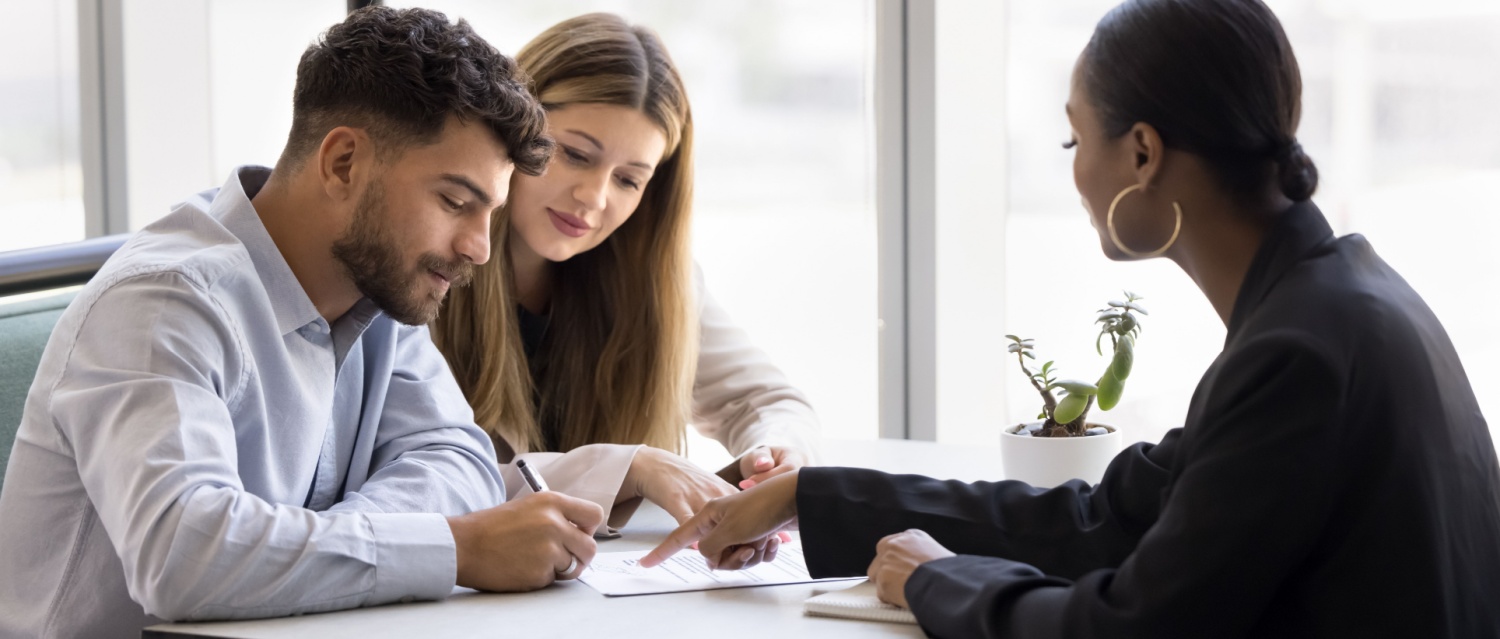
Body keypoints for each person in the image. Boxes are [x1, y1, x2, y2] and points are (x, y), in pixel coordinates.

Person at [643, 0, 1500, 636]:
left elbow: (1132, 625)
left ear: (1142, 153)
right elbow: (1108, 519)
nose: (1076, 172)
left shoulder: (1303, 352)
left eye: (1073, 141)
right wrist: (812, 494)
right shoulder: (1336, 302)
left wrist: (944, 581)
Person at [0, 8, 605, 638]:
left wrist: (339, 549)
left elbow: (455, 456)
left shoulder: (380, 284)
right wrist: (455, 549)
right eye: (454, 202)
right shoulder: (162, 302)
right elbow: (184, 555)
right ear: (343, 162)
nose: (479, 248)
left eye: (489, 212)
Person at [431, 13, 820, 532]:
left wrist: (776, 459)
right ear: (509, 127)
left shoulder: (657, 282)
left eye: (629, 180)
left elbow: (764, 401)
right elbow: (427, 481)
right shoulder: (424, 265)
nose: (594, 198)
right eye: (573, 155)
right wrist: (628, 468)